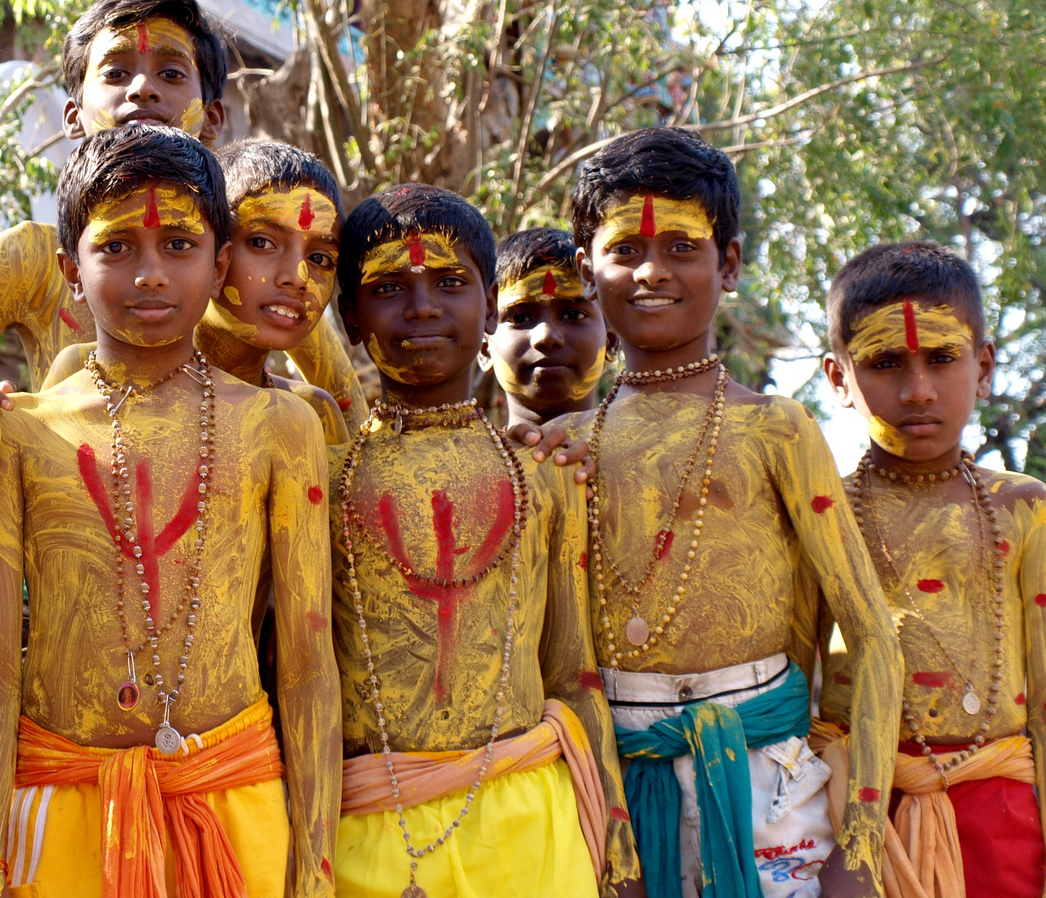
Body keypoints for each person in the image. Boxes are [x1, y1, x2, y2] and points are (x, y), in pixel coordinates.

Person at [0, 124, 340, 898]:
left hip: (233, 801)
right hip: (58, 803)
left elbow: (306, 663)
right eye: (117, 248)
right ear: (71, 269)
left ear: (220, 261)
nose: (152, 274)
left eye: (178, 244)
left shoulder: (280, 426)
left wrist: (317, 864)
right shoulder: (23, 430)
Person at [554, 126, 902, 898]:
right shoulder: (561, 449)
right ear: (586, 271)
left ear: (730, 263)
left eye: (682, 247)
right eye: (624, 250)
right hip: (616, 789)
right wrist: (612, 834)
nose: (652, 270)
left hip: (770, 790)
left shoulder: (776, 428)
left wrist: (861, 840)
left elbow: (872, 634)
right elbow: (562, 660)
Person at [329, 184, 643, 898]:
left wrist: (619, 853)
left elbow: (573, 671)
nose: (422, 308)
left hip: (530, 824)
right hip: (364, 831)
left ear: (484, 308)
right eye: (387, 288)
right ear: (349, 316)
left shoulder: (543, 472)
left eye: (449, 283)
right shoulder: (319, 476)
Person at [0, 0, 364, 421]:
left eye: (172, 73)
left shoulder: (248, 259)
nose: (142, 89)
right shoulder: (29, 259)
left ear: (213, 117)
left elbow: (350, 422)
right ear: (73, 117)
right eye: (116, 73)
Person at [815, 240, 1046, 897]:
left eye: (943, 358)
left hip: (1006, 827)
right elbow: (800, 691)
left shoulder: (1026, 509)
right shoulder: (820, 515)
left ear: (984, 367)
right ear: (838, 379)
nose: (918, 389)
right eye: (883, 363)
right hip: (859, 820)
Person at [44, 138, 350, 443]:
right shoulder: (88, 373)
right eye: (261, 243)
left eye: (319, 258)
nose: (297, 277)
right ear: (217, 256)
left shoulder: (310, 412)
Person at [480, 226, 608, 428]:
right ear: (484, 350)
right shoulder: (456, 457)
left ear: (611, 342)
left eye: (573, 314)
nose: (546, 336)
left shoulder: (656, 455)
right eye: (520, 317)